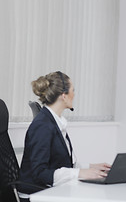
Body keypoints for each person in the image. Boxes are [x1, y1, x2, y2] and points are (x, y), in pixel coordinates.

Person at [18, 71, 111, 199]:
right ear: (64, 95)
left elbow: (60, 163)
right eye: (73, 90)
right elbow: (40, 173)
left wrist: (90, 168)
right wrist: (79, 173)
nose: (74, 94)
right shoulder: (43, 125)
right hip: (35, 195)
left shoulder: (54, 121)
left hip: (48, 191)